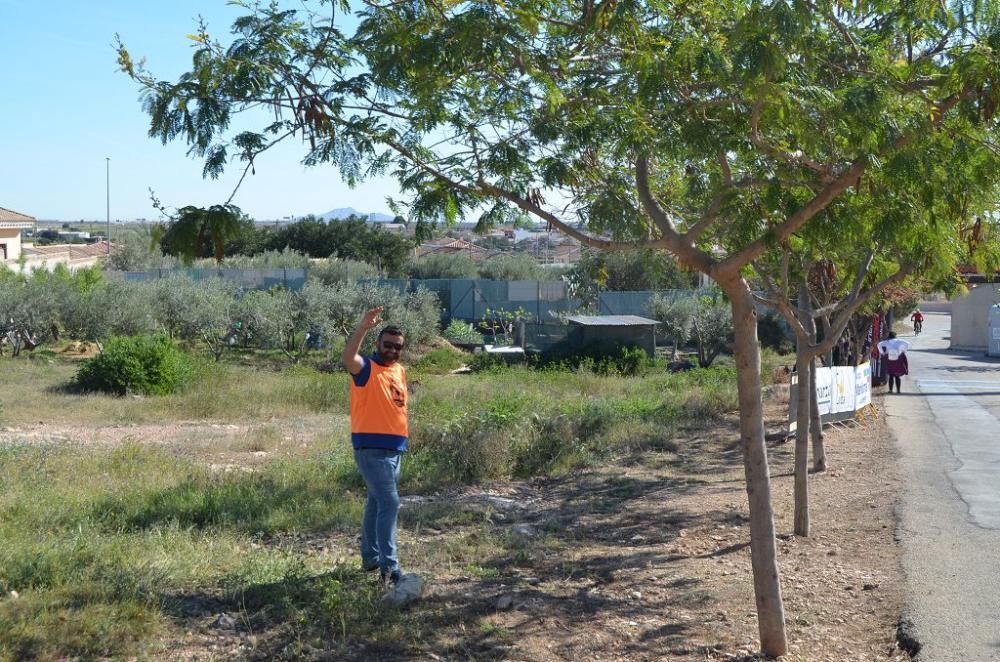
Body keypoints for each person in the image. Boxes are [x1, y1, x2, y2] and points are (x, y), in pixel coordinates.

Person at [342, 306, 408, 587]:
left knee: (375, 503)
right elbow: (348, 358)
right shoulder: (366, 368)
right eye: (387, 345)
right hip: (371, 451)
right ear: (377, 344)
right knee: (390, 502)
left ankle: (370, 558)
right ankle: (389, 568)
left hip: (395, 451)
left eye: (397, 347)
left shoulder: (399, 371)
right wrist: (362, 327)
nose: (392, 350)